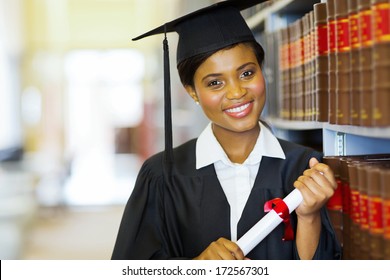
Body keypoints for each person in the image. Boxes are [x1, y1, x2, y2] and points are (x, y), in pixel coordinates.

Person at [111, 0, 341, 260]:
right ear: (193, 93)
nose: (236, 92)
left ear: (262, 71)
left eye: (246, 73)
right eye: (215, 83)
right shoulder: (162, 176)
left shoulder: (303, 168)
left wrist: (308, 216)